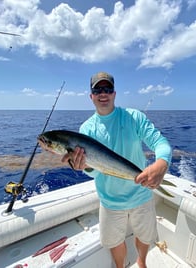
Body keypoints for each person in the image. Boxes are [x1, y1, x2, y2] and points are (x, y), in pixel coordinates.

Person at [62, 71, 172, 268]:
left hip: (142, 193)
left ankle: (141, 262)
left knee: (145, 237)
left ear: (114, 93)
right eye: (98, 90)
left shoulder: (134, 117)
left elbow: (159, 142)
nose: (103, 93)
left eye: (108, 89)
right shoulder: (87, 129)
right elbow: (96, 170)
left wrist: (162, 163)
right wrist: (84, 167)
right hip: (110, 200)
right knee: (115, 242)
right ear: (91, 96)